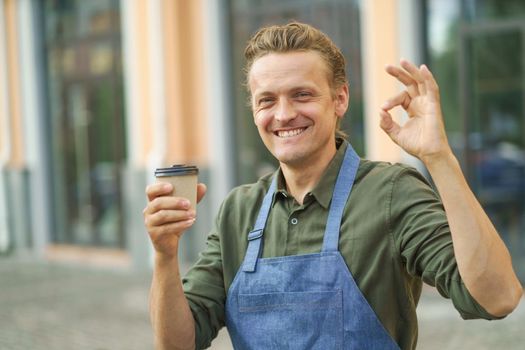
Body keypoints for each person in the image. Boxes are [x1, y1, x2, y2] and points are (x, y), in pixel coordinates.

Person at [143, 22, 522, 349]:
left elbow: (497, 298)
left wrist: (439, 158)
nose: (284, 114)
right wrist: (165, 255)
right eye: (267, 100)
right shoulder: (237, 211)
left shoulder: (390, 193)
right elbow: (179, 343)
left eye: (302, 94)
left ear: (340, 99)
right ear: (254, 111)